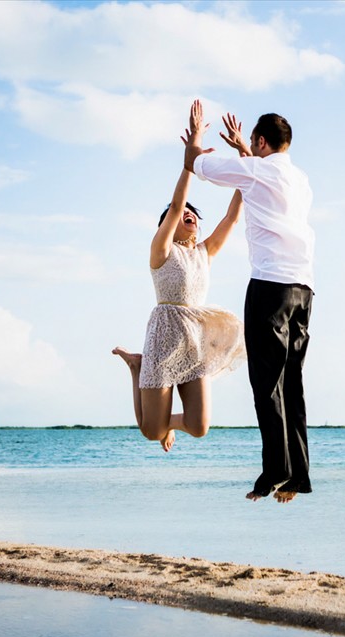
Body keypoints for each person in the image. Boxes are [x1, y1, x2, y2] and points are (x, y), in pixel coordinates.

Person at [184, 100, 315, 504]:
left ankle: (276, 469)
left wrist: (196, 141)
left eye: (254, 145)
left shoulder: (256, 170)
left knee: (265, 383)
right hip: (304, 290)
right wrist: (245, 148)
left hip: (270, 287)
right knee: (291, 383)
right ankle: (297, 475)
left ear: (261, 142)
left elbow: (199, 167)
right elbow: (255, 179)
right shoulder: (300, 179)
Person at [113, 102, 246, 453]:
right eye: (182, 213)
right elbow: (175, 206)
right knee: (151, 432)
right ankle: (137, 367)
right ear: (166, 228)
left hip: (195, 338)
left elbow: (232, 218)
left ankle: (150, 392)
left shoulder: (204, 252)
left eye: (193, 213)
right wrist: (191, 160)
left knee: (199, 428)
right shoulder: (162, 251)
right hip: (164, 334)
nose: (188, 213)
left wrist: (247, 160)